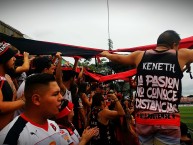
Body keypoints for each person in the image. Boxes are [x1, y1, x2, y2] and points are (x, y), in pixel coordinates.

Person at [100, 30, 193, 145]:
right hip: (168, 120)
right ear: (174, 45)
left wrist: (106, 54)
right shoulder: (182, 55)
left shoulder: (140, 55)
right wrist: (188, 61)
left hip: (144, 120)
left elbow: (119, 58)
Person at [0, 73, 97, 145]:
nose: (61, 98)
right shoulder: (11, 137)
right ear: (36, 99)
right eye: (55, 94)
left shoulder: (53, 125)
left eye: (59, 93)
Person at [0, 41, 25, 131]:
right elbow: (1, 107)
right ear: (4, 58)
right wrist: (22, 101)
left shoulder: (4, 78)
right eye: (11, 57)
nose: (14, 59)